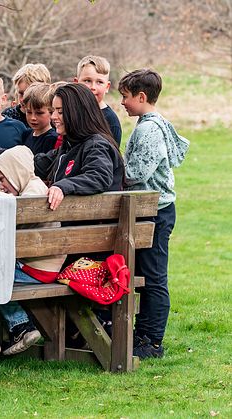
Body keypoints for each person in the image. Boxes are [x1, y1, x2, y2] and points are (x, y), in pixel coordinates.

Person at [0, 82, 124, 211]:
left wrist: (63, 186)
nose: (54, 116)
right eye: (53, 110)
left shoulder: (96, 144)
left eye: (60, 111)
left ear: (77, 113)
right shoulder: (69, 147)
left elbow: (99, 176)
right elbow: (29, 164)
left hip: (89, 240)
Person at [0, 146, 66, 356]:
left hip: (34, 268)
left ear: (16, 173)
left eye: (3, 179)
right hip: (42, 265)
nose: (2, 185)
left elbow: (5, 228)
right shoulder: (34, 188)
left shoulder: (29, 197)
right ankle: (20, 327)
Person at [118, 68, 189, 359]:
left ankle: (151, 340)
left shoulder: (148, 129)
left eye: (125, 96)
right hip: (153, 209)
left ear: (141, 96)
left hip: (156, 211)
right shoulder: (152, 123)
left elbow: (136, 172)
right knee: (148, 275)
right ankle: (142, 333)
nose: (122, 102)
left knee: (154, 277)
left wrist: (113, 167)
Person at [74, 55, 122, 145]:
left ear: (107, 87)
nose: (93, 87)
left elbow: (112, 156)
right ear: (76, 83)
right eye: (87, 81)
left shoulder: (110, 121)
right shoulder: (70, 111)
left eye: (99, 82)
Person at [20, 83, 59, 155]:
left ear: (51, 112)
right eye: (29, 112)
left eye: (39, 113)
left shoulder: (52, 138)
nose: (33, 118)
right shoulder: (26, 134)